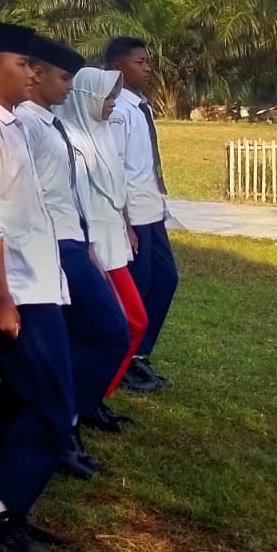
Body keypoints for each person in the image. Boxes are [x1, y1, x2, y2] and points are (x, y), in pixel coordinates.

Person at [0, 21, 79, 552]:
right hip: (21, 291)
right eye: (23, 64)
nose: (32, 73)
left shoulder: (10, 126)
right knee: (53, 407)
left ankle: (5, 507)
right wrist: (2, 297)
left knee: (20, 400)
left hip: (37, 282)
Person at [18, 38, 121, 473]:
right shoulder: (25, 124)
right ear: (38, 74)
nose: (67, 87)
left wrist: (87, 240)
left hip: (72, 239)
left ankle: (65, 422)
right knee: (110, 331)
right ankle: (63, 426)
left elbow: (67, 190)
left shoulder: (52, 122)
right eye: (63, 78)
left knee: (87, 335)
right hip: (53, 244)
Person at [57, 63, 140, 435]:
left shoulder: (102, 132)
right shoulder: (70, 139)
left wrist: (126, 225)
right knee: (127, 322)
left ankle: (92, 398)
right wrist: (90, 243)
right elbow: (78, 198)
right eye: (107, 97)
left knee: (122, 323)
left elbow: (115, 187)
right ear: (87, 97)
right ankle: (86, 400)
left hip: (111, 238)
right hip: (92, 243)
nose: (112, 103)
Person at [104, 37, 177, 391]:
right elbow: (114, 168)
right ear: (117, 68)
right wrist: (124, 222)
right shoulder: (117, 111)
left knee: (166, 279)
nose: (148, 68)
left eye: (148, 62)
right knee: (139, 284)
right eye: (140, 62)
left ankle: (139, 353)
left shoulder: (140, 107)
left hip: (151, 209)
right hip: (132, 212)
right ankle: (122, 358)